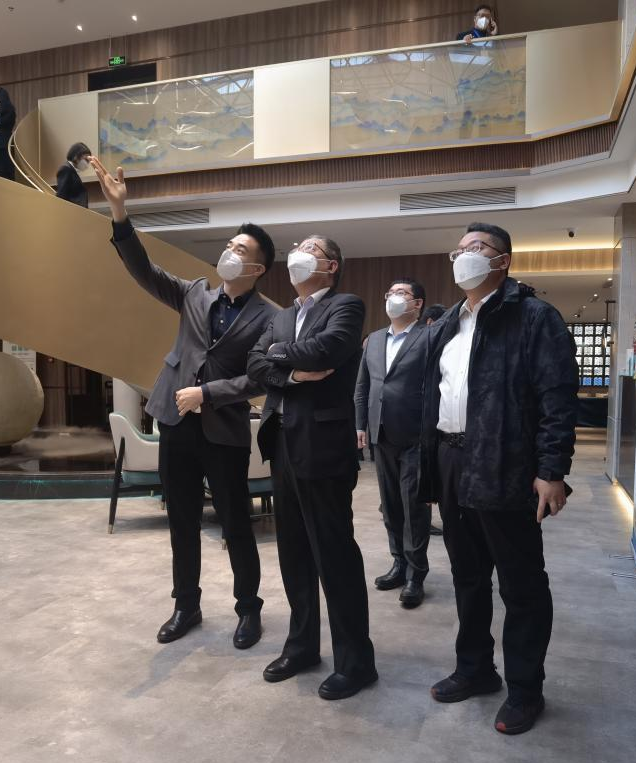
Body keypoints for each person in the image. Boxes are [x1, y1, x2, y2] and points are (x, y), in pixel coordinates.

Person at [90, 155, 278, 650]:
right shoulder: (195, 293)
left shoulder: (269, 318)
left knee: (236, 524)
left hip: (224, 431)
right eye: (229, 244)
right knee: (182, 522)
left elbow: (258, 378)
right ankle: (186, 606)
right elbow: (143, 270)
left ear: (257, 268)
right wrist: (119, 213)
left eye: (240, 249)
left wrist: (208, 394)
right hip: (176, 423)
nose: (229, 251)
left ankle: (248, 609)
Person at [420, 222, 577, 736]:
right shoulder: (448, 322)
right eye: (459, 249)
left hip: (505, 463)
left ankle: (525, 690)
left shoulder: (533, 316)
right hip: (451, 458)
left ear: (502, 260)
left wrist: (551, 470)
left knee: (520, 583)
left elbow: (557, 397)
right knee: (467, 576)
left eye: (476, 247)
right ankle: (475, 669)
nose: (464, 255)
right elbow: (434, 396)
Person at [246, 235, 377, 700]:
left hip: (323, 447)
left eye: (311, 248)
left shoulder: (346, 305)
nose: (299, 252)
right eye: (297, 245)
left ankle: (356, 662)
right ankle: (302, 646)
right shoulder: (282, 315)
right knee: (294, 553)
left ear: (332, 265)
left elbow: (328, 350)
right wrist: (292, 372)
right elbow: (254, 363)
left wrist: (278, 357)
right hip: (281, 443)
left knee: (334, 556)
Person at [355, 277, 431, 608]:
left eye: (401, 293)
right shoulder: (373, 339)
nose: (393, 298)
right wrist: (360, 424)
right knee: (390, 505)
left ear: (417, 304)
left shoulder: (428, 337)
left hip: (415, 435)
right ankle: (398, 563)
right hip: (381, 433)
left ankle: (416, 574)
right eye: (390, 293)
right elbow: (363, 386)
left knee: (414, 506)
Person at [56, 142, 91, 207]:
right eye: (86, 160)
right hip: (71, 211)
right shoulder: (66, 169)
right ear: (76, 156)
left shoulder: (71, 170)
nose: (87, 164)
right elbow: (61, 196)